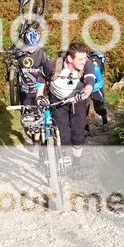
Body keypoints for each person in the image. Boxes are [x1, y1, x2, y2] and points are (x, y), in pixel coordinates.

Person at [37, 42, 95, 176]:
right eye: (80, 59)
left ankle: (76, 165)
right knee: (64, 137)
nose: (84, 61)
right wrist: (39, 95)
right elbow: (41, 77)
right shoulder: (53, 66)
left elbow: (90, 81)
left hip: (78, 101)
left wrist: (85, 93)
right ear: (69, 58)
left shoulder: (87, 65)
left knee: (78, 136)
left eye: (85, 58)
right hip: (58, 101)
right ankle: (58, 155)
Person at [16, 26, 50, 106]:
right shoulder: (19, 53)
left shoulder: (42, 53)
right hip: (25, 90)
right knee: (26, 110)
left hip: (39, 89)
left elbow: (47, 70)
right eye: (29, 46)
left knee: (40, 109)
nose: (31, 49)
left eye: (34, 46)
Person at [85, 51, 108, 134]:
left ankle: (105, 122)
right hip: (84, 90)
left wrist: (91, 87)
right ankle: (86, 129)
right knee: (84, 110)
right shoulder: (76, 69)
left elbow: (100, 82)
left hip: (96, 89)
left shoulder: (95, 68)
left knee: (99, 109)